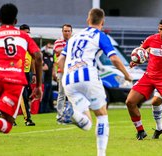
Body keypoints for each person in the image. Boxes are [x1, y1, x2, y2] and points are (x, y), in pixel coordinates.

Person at [57, 8, 132, 156]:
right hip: (88, 78)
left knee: (87, 124)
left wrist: (66, 75)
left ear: (88, 20)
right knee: (102, 115)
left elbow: (60, 60)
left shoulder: (74, 37)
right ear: (102, 22)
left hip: (69, 81)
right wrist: (127, 75)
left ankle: (73, 114)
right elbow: (114, 58)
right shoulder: (100, 36)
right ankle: (101, 154)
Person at [0, 3, 43, 151]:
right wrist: (38, 86)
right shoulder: (23, 36)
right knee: (7, 126)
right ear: (16, 21)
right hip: (14, 81)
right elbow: (39, 57)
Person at [53, 24, 72, 122]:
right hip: (61, 70)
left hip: (72, 70)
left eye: (69, 31)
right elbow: (57, 50)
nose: (67, 33)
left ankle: (70, 114)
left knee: (72, 93)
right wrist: (69, 48)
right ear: (62, 32)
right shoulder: (58, 41)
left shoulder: (73, 41)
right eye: (65, 31)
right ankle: (60, 115)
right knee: (61, 93)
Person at [18, 24, 36, 126]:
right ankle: (27, 119)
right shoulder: (17, 44)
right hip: (17, 73)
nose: (27, 34)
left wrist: (33, 73)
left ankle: (9, 118)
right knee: (23, 96)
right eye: (25, 32)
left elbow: (33, 58)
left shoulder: (29, 44)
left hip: (26, 73)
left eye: (28, 32)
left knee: (21, 96)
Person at [39, 43, 55, 113]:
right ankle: (41, 110)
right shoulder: (43, 56)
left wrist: (54, 73)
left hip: (49, 79)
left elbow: (53, 66)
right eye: (49, 47)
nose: (50, 49)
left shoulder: (51, 57)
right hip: (43, 80)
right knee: (43, 96)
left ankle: (47, 109)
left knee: (48, 96)